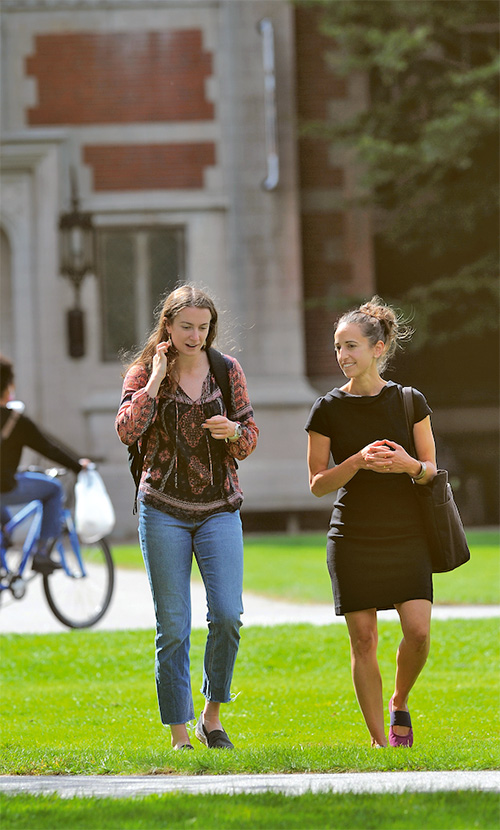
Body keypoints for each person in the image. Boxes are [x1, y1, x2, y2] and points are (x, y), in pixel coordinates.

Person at [115, 284, 258, 751]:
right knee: (173, 626)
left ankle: (211, 717)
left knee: (227, 615)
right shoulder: (142, 372)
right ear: (168, 327)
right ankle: (180, 734)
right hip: (162, 510)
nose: (196, 336)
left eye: (203, 327)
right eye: (186, 327)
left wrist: (235, 430)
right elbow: (126, 430)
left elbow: (249, 436)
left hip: (219, 508)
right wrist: (155, 379)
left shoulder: (227, 371)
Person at [305, 297, 437, 748]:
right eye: (338, 347)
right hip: (352, 534)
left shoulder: (409, 401)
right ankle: (382, 743)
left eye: (352, 346)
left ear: (378, 348)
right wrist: (357, 461)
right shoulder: (327, 409)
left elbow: (430, 470)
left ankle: (400, 699)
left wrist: (407, 464)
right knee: (364, 640)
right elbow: (318, 484)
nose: (343, 356)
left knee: (418, 632)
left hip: (407, 533)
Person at [0, 354, 90, 574]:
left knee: (5, 523)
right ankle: (41, 555)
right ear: (9, 386)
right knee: (53, 488)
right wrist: (77, 465)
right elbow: (48, 448)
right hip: (4, 487)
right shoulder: (15, 420)